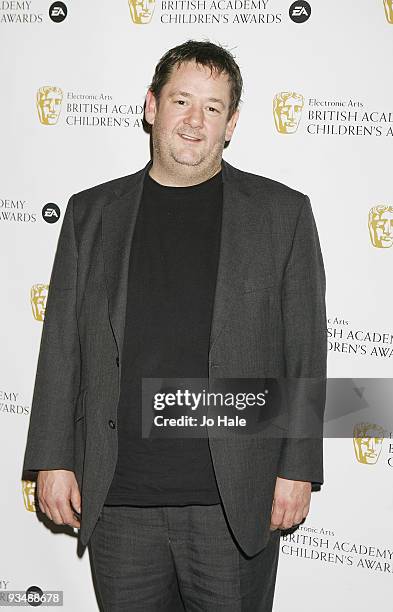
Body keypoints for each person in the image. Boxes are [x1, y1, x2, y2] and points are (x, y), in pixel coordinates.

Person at [22, 39, 327, 611]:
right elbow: (60, 344)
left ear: (232, 123)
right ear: (150, 106)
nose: (194, 121)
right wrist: (53, 458)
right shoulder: (91, 213)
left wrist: (298, 469)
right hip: (117, 501)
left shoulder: (281, 214)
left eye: (213, 108)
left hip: (234, 503)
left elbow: (305, 351)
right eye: (181, 100)